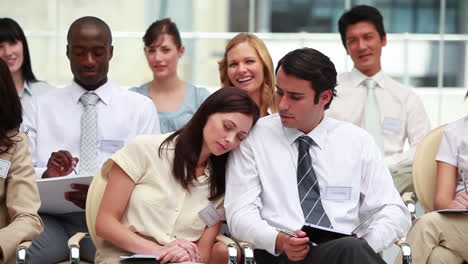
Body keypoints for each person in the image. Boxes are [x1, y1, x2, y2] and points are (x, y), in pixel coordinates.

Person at [224, 48, 411, 264]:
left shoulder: (357, 141)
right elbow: (239, 213)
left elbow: (393, 210)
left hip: (345, 252)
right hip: (280, 255)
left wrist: (368, 242)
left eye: (295, 96)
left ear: (324, 97)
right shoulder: (253, 137)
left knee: (350, 248)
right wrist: (280, 240)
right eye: (280, 92)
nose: (283, 104)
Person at [22, 16, 159, 263]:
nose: (89, 61)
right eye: (79, 53)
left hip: (113, 221)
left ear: (111, 52)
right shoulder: (38, 107)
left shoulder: (140, 108)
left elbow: (152, 178)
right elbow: (20, 174)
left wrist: (104, 195)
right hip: (50, 221)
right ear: (67, 53)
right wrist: (47, 175)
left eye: (98, 53)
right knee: (20, 255)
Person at [94, 87, 260, 264]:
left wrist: (187, 255)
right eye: (227, 127)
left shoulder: (219, 185)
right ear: (206, 113)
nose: (230, 140)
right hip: (122, 258)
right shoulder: (144, 150)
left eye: (240, 137)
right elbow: (105, 223)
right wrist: (160, 251)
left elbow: (202, 255)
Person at [326, 5, 431, 194]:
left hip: (393, 183)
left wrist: (382, 167)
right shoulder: (329, 92)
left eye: (368, 37)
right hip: (341, 182)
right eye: (353, 40)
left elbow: (423, 148)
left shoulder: (405, 97)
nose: (362, 46)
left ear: (383, 39)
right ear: (346, 48)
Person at [399, 115, 468, 264]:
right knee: (438, 258)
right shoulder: (456, 131)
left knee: (426, 225)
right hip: (460, 222)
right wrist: (453, 206)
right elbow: (441, 200)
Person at [131, 18, 210, 134]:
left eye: (165, 50)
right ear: (145, 52)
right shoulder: (134, 97)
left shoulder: (200, 99)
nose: (157, 58)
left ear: (181, 51)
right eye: (152, 51)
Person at [0, 18, 54, 112]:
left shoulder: (46, 93)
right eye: (0, 46)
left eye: (13, 43)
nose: (8, 52)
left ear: (24, 46)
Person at [219, 33, 277, 117]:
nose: (241, 70)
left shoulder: (284, 115)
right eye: (233, 64)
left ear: (264, 65)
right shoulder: (216, 115)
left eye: (249, 61)